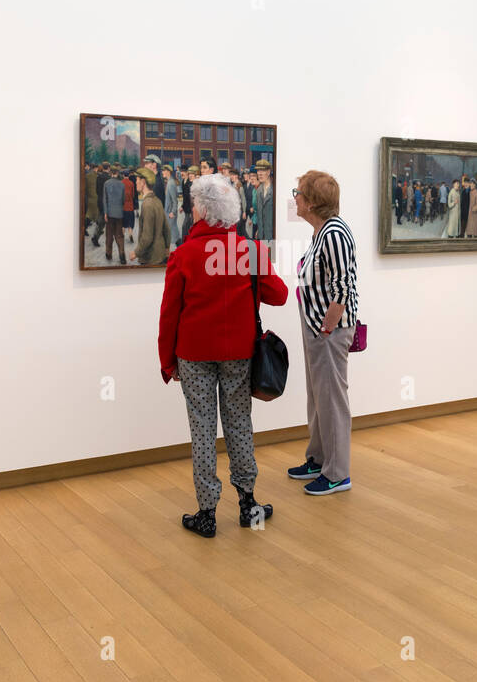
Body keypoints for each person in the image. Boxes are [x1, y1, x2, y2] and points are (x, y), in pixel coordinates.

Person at [158, 174, 288, 538]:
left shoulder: (184, 255)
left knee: (202, 430)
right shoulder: (251, 251)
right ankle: (248, 503)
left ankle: (207, 513)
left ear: (200, 210)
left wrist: (167, 362)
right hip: (238, 354)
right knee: (239, 424)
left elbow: (169, 314)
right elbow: (279, 296)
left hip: (194, 355)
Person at [288, 170, 359, 496]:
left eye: (298, 193)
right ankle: (317, 459)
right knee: (317, 397)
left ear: (313, 202)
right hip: (316, 327)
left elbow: (343, 286)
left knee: (331, 400)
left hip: (328, 331)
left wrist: (327, 328)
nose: (295, 199)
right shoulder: (321, 232)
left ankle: (337, 473)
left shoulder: (333, 233)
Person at [131, 167, 171, 266]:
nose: (135, 183)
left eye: (137, 180)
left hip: (150, 257)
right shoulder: (157, 200)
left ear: (143, 182)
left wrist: (136, 252)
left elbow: (147, 236)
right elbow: (166, 229)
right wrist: (166, 248)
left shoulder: (147, 204)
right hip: (160, 254)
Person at [102, 165, 127, 264]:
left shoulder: (106, 184)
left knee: (109, 235)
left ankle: (109, 254)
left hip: (109, 213)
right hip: (119, 213)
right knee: (119, 235)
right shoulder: (122, 185)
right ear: (117, 173)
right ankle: (122, 256)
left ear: (110, 173)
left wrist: (105, 213)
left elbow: (105, 199)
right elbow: (123, 200)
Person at [251, 159, 275, 241]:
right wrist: (259, 229)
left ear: (268, 172)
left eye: (262, 170)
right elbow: (259, 214)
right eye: (258, 170)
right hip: (262, 235)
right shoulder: (259, 191)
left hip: (273, 235)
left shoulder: (275, 190)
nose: (259, 173)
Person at [163, 165, 181, 247]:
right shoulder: (169, 182)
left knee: (174, 233)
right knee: (172, 233)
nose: (162, 172)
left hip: (170, 213)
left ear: (168, 172)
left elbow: (175, 200)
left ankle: (181, 249)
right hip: (168, 212)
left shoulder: (171, 183)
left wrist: (173, 212)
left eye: (164, 171)